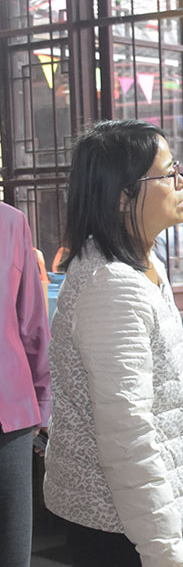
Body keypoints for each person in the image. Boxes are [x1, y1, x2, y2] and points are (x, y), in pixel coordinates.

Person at [43, 120, 183, 567]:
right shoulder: (111, 286)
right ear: (123, 196)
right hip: (126, 525)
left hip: (153, 513)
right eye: (168, 172)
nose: (181, 181)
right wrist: (162, 550)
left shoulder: (140, 260)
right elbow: (128, 435)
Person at [0, 202, 51, 567]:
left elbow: (32, 320)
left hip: (10, 414)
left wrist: (42, 402)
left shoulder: (11, 222)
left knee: (13, 551)